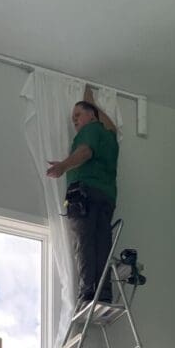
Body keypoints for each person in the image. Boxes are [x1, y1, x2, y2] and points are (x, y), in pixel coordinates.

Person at [46, 86, 118, 307]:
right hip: (106, 197)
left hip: (84, 194)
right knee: (101, 243)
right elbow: (112, 126)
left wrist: (63, 166)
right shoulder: (109, 138)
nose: (75, 121)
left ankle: (87, 293)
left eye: (78, 115)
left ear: (92, 116)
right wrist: (91, 102)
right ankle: (104, 293)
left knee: (84, 242)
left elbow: (85, 152)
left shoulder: (89, 131)